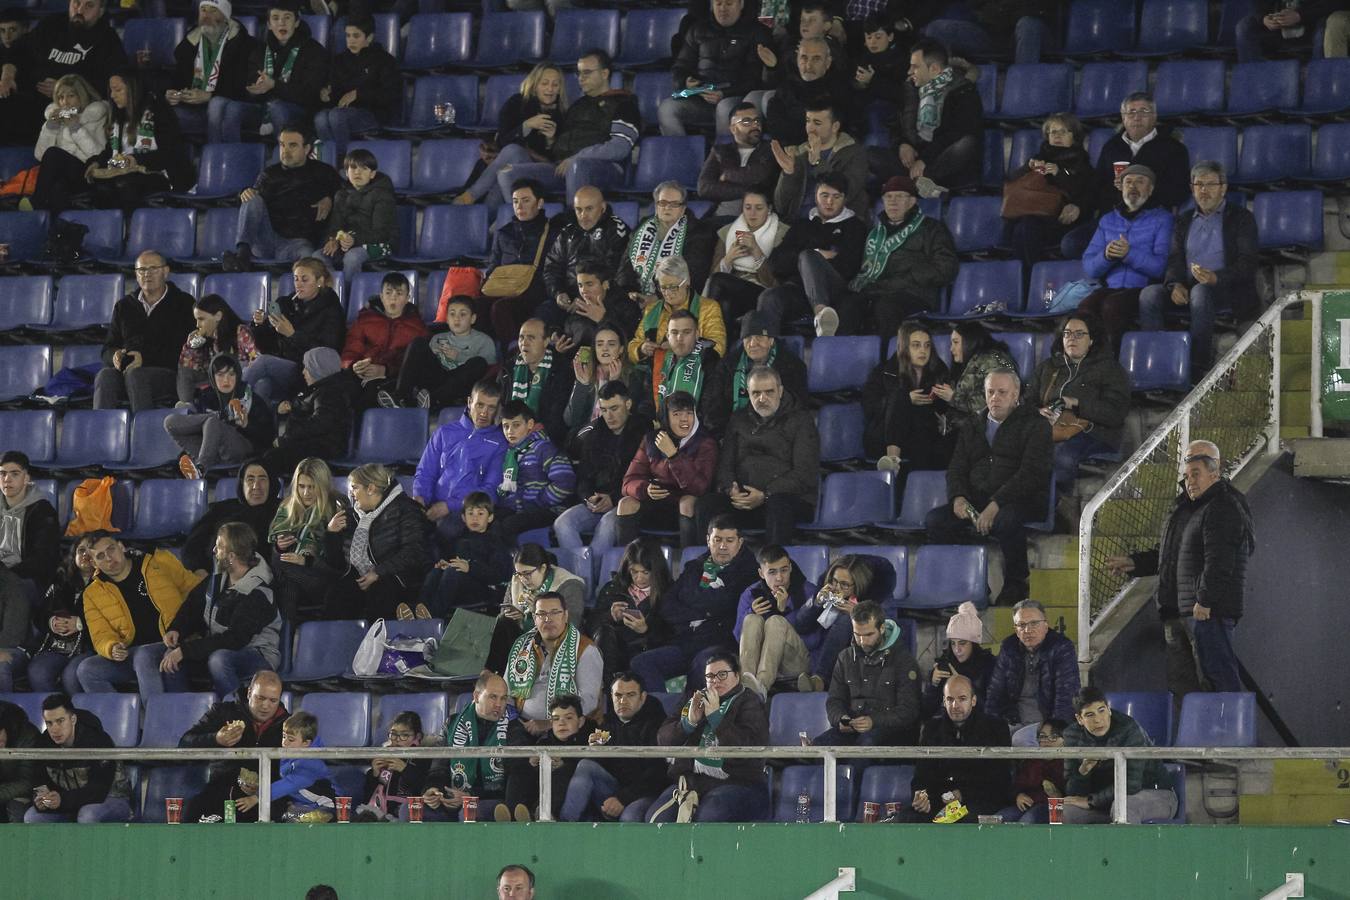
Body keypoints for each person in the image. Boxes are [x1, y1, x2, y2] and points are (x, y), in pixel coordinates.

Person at [1108, 440, 1256, 696]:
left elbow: (1221, 560)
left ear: (1215, 471)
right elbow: (1171, 554)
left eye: (1196, 473)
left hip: (1205, 612)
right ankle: (1194, 737)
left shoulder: (1225, 504)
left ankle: (1228, 736)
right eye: (1186, 475)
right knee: (1183, 686)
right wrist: (1135, 563)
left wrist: (1205, 600)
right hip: (1175, 610)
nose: (1190, 481)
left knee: (1217, 679)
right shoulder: (1183, 507)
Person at [926, 369, 1053, 606]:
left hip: (1023, 499)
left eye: (1002, 392)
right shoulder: (973, 425)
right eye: (990, 392)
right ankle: (968, 579)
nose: (995, 398)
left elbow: (1032, 474)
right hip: (978, 498)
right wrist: (959, 498)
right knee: (936, 521)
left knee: (1006, 519)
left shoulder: (1036, 425)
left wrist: (996, 503)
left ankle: (1017, 582)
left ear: (1016, 395)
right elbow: (956, 468)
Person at [1139, 161, 1261, 375]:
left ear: (1223, 188)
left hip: (1227, 288)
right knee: (1149, 294)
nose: (1204, 190)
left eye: (1211, 184)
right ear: (1192, 188)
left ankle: (1197, 367)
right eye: (1199, 184)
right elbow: (1175, 258)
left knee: (1201, 291)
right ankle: (1155, 363)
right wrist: (1175, 284)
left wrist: (1216, 278)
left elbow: (1247, 263)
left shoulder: (1241, 218)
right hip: (1188, 287)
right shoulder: (1183, 220)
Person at [138, 522, 282, 696]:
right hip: (218, 646)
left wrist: (186, 650)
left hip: (256, 654)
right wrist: (177, 629)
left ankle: (235, 713)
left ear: (231, 556)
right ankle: (186, 714)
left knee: (219, 660)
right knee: (166, 657)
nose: (214, 551)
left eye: (219, 546)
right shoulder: (219, 577)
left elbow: (235, 639)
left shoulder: (259, 591)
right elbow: (192, 606)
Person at [489, 49, 640, 202]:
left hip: (605, 168)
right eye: (579, 73)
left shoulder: (624, 104)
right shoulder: (576, 107)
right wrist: (551, 141)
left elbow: (619, 148)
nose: (581, 78)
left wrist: (576, 158)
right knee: (508, 174)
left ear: (605, 73)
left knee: (578, 167)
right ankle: (521, 224)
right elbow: (559, 147)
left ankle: (572, 223)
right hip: (563, 167)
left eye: (587, 73)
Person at [630, 516, 758, 693]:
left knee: (704, 667)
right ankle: (664, 714)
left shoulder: (750, 573)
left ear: (740, 542)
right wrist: (704, 610)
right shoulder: (695, 567)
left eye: (729, 541)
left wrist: (690, 599)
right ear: (708, 540)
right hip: (685, 640)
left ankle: (691, 718)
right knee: (641, 662)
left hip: (719, 643)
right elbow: (668, 604)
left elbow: (724, 604)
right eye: (717, 539)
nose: (722, 546)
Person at [697, 366, 819, 545]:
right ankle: (708, 567)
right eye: (756, 393)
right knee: (706, 505)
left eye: (769, 392)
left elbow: (804, 473)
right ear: (748, 393)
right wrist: (731, 489)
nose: (762, 399)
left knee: (779, 504)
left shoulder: (801, 420)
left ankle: (773, 565)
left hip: (787, 499)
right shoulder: (738, 419)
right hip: (743, 500)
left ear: (781, 391)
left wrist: (766, 494)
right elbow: (725, 464)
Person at [648, 651, 770, 822]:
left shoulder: (749, 701)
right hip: (690, 782)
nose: (715, 680)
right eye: (710, 676)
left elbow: (748, 748)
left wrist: (716, 719)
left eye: (722, 675)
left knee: (709, 815)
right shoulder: (694, 699)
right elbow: (663, 739)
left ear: (736, 675)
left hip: (739, 782)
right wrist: (688, 723)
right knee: (656, 819)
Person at [76, 532, 204, 693]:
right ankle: (117, 716)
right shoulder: (91, 594)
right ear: (94, 563)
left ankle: (154, 715)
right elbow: (100, 634)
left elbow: (194, 591)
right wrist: (112, 647)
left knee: (144, 656)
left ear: (121, 546)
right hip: (131, 652)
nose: (109, 558)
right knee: (86, 670)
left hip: (172, 641)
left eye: (111, 549)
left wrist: (193, 631)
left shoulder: (158, 561)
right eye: (101, 556)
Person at [838, 174, 958, 337]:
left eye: (900, 196)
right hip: (879, 291)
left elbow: (946, 267)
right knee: (848, 304)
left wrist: (908, 279)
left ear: (912, 201)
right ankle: (847, 359)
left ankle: (890, 359)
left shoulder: (931, 228)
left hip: (915, 293)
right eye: (888, 197)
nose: (893, 201)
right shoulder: (876, 233)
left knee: (885, 306)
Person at [1026, 311, 1131, 497]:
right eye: (1067, 333)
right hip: (1050, 429)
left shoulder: (1109, 369)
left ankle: (1058, 505)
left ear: (1092, 340)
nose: (1071, 338)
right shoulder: (1048, 367)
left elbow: (1115, 412)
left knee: (1062, 456)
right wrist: (1038, 412)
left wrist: (1076, 403)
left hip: (1093, 432)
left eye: (1079, 334)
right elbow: (1027, 400)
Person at [757, 174, 868, 336]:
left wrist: (810, 259)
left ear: (844, 199)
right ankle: (769, 354)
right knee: (769, 297)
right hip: (800, 290)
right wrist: (818, 255)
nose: (829, 202)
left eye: (836, 197)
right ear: (815, 196)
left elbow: (849, 267)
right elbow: (776, 264)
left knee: (808, 257)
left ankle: (822, 315)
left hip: (836, 290)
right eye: (825, 195)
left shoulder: (855, 227)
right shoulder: (802, 225)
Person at [1079, 163, 1174, 352]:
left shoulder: (1163, 218)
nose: (1133, 187)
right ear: (1121, 187)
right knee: (1085, 308)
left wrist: (1128, 254)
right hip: (1111, 287)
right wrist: (1106, 256)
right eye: (1128, 182)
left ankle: (1111, 362)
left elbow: (1161, 267)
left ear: (1151, 189)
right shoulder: (1108, 220)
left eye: (1140, 182)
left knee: (1112, 306)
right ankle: (1086, 363)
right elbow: (1090, 267)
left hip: (1144, 288)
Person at [91, 249, 197, 412]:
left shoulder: (183, 303)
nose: (147, 274)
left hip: (169, 374)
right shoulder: (124, 306)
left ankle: (143, 431)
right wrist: (115, 356)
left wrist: (143, 359)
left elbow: (186, 351)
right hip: (128, 371)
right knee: (105, 376)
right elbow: (108, 347)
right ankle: (101, 432)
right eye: (141, 270)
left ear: (165, 271)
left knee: (136, 375)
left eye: (153, 268)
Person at [224, 127, 344, 271]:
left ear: (306, 149)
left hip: (299, 242)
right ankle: (242, 256)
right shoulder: (269, 174)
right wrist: (243, 192)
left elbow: (347, 194)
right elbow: (251, 206)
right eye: (282, 145)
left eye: (292, 145)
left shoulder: (324, 172)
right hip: (267, 239)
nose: (285, 151)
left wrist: (330, 198)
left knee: (308, 258)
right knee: (252, 198)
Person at [323, 463, 429, 621]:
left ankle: (379, 643)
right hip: (361, 576)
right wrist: (331, 534)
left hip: (396, 577)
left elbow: (413, 552)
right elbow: (336, 563)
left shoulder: (406, 509)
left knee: (380, 592)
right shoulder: (351, 515)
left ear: (371, 489)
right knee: (336, 593)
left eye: (355, 487)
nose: (351, 494)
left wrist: (378, 572)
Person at [180, 670, 289, 823]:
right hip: (222, 791)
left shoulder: (289, 724)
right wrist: (216, 739)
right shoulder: (223, 712)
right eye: (260, 698)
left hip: (267, 797)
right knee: (193, 811)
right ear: (250, 692)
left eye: (273, 700)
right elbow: (185, 743)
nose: (266, 706)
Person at [560, 671, 668, 822]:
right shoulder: (609, 723)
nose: (623, 701)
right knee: (586, 765)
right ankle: (563, 827)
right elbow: (605, 767)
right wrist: (595, 752)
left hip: (646, 793)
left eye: (630, 695)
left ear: (642, 698)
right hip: (615, 789)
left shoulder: (657, 725)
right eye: (618, 695)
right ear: (611, 696)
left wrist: (622, 799)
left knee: (630, 816)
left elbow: (657, 774)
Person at [453, 64, 566, 208]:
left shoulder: (562, 114)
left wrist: (551, 140)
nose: (550, 89)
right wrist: (526, 126)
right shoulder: (516, 103)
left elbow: (561, 159)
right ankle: (487, 219)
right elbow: (502, 142)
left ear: (560, 88)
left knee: (508, 165)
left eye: (555, 85)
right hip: (514, 163)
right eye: (544, 83)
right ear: (535, 84)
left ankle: (470, 198)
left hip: (543, 170)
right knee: (509, 162)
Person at [815, 600, 921, 752]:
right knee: (819, 747)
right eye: (857, 635)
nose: (863, 641)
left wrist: (874, 721)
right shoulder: (845, 657)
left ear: (882, 628)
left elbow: (909, 711)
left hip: (891, 732)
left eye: (869, 634)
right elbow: (834, 700)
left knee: (865, 746)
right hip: (854, 729)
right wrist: (841, 719)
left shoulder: (904, 661)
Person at [903, 675, 1010, 823]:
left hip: (978, 801)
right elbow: (922, 775)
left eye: (962, 699)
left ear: (973, 700)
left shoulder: (996, 728)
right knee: (905, 819)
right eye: (950, 699)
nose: (955, 706)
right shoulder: (931, 729)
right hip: (939, 801)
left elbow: (1000, 778)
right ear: (943, 701)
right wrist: (921, 796)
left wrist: (963, 794)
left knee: (953, 820)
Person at [617, 390, 718, 548]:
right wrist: (646, 489)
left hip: (686, 509)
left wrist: (673, 455)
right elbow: (628, 483)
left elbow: (699, 488)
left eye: (689, 413)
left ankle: (689, 563)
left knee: (688, 501)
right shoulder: (651, 439)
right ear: (667, 417)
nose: (684, 419)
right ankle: (625, 565)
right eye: (677, 414)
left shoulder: (705, 443)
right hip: (655, 505)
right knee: (626, 503)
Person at [1061, 687, 1178, 824]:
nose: (1098, 720)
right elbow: (1073, 792)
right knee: (1062, 811)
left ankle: (1125, 846)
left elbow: (1132, 785)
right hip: (1105, 803)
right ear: (1079, 719)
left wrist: (1092, 801)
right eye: (1089, 715)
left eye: (1101, 710)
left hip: (1155, 794)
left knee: (1123, 806)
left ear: (1109, 709)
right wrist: (1083, 771)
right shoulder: (1072, 735)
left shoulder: (1129, 729)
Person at [883, 38, 983, 197]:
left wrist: (924, 160)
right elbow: (896, 124)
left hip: (940, 158)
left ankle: (918, 182)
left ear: (934, 69)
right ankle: (919, 184)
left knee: (965, 145)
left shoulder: (963, 91)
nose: (909, 71)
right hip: (914, 158)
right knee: (869, 155)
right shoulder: (911, 89)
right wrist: (902, 144)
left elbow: (958, 132)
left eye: (915, 67)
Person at [412, 380, 508, 545]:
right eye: (480, 405)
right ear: (470, 402)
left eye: (491, 407)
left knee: (446, 530)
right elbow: (425, 472)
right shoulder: (445, 432)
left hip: (466, 510)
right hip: (432, 504)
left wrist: (450, 506)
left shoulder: (500, 443)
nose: (484, 413)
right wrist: (420, 497)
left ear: (498, 409)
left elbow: (490, 490)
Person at [554, 381, 647, 551]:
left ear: (628, 404)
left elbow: (641, 478)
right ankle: (582, 575)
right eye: (604, 410)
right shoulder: (594, 433)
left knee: (605, 528)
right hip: (596, 502)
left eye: (614, 408)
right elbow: (583, 476)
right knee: (562, 524)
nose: (609, 416)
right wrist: (588, 497)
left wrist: (613, 498)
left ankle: (591, 576)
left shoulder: (643, 432)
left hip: (623, 502)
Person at [421, 671, 525, 823]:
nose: (499, 704)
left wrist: (471, 796)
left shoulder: (513, 728)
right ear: (476, 696)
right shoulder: (452, 723)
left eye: (503, 698)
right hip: (452, 798)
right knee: (410, 810)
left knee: (468, 812)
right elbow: (438, 767)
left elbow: (516, 780)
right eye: (493, 697)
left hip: (491, 799)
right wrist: (433, 790)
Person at [11, 0, 124, 134]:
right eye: (76, 3)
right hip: (33, 100)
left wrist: (64, 88)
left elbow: (112, 83)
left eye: (89, 5)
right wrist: (8, 74)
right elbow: (17, 49)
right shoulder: (51, 24)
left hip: (74, 109)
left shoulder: (108, 39)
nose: (80, 10)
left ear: (100, 11)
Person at [220, 0, 327, 143]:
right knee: (233, 108)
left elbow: (310, 95)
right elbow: (248, 88)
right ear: (269, 25)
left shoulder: (314, 51)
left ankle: (281, 157)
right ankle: (231, 156)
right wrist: (254, 90)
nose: (281, 23)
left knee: (278, 108)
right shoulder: (260, 50)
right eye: (275, 18)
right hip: (264, 109)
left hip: (299, 110)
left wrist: (275, 85)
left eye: (287, 17)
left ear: (296, 23)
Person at [660, 0, 771, 136]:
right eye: (718, 4)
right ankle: (681, 154)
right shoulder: (697, 30)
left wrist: (725, 93)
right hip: (701, 95)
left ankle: (724, 155)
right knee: (667, 108)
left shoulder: (757, 32)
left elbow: (755, 78)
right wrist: (686, 81)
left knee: (724, 107)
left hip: (736, 98)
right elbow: (681, 66)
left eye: (729, 4)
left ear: (741, 5)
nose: (723, 8)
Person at [85, 70, 192, 211]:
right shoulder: (119, 117)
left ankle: (131, 229)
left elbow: (170, 153)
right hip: (125, 171)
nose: (112, 95)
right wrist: (97, 162)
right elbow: (111, 153)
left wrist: (135, 160)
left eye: (118, 90)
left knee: (124, 183)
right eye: (111, 90)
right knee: (99, 186)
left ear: (133, 89)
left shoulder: (158, 110)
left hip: (158, 173)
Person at [1002, 112, 1094, 276]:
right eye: (1053, 132)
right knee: (1024, 227)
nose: (1057, 136)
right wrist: (1027, 168)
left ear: (1074, 136)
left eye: (1063, 131)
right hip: (1031, 217)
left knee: (1026, 229)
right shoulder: (1038, 158)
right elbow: (1012, 184)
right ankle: (1023, 277)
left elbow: (1085, 194)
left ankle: (1032, 277)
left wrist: (1059, 174)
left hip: (1061, 222)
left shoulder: (1082, 162)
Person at [246, 256, 346, 404]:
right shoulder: (287, 304)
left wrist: (292, 334)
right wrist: (260, 326)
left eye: (305, 280)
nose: (298, 285)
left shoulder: (332, 310)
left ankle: (228, 400)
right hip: (284, 365)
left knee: (263, 362)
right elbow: (267, 347)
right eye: (296, 279)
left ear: (319, 281)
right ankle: (255, 425)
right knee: (262, 386)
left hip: (307, 371)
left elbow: (326, 352)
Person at [4, 536, 96, 696]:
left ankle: (81, 716)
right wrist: (51, 621)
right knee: (38, 672)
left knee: (71, 676)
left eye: (91, 550)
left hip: (91, 646)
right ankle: (57, 714)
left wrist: (80, 624)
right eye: (81, 550)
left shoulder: (107, 583)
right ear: (73, 555)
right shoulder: (61, 581)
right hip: (58, 645)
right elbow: (40, 615)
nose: (85, 555)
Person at [540, 187, 632, 340]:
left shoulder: (616, 231)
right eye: (578, 210)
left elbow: (618, 274)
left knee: (583, 329)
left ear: (602, 208)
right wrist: (558, 293)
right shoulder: (567, 232)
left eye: (589, 209)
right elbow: (552, 267)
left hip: (602, 300)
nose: (583, 216)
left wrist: (586, 299)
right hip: (568, 301)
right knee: (542, 320)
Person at [1084, 93, 1190, 228]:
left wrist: (1142, 189)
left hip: (1152, 218)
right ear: (1123, 117)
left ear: (1154, 116)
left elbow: (1179, 192)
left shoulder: (1174, 148)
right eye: (1131, 112)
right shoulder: (1111, 146)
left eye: (1143, 111)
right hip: (1113, 217)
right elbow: (1098, 185)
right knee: (1072, 242)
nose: (1137, 117)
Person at [21, 693, 130, 823]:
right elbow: (39, 781)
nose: (55, 729)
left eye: (60, 721)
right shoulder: (43, 744)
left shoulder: (98, 740)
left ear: (73, 719)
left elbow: (99, 790)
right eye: (49, 723)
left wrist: (62, 800)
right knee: (32, 817)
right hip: (69, 803)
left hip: (112, 798)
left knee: (88, 815)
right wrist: (42, 799)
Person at [506, 592, 603, 734]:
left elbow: (589, 701)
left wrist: (551, 723)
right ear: (534, 618)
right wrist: (513, 720)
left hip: (570, 729)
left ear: (565, 615)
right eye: (541, 614)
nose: (548, 619)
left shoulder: (585, 649)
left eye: (554, 613)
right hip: (522, 725)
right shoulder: (522, 645)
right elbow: (506, 690)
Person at [984, 599, 1080, 742]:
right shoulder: (1009, 647)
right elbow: (995, 691)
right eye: (1021, 625)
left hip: (1048, 723)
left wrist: (1052, 730)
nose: (1028, 630)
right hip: (1014, 720)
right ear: (1016, 630)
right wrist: (989, 724)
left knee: (1019, 740)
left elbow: (1066, 696)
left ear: (1046, 625)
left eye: (1034, 623)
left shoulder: (1061, 647)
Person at [167, 354, 276, 479]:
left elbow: (268, 436)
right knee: (170, 421)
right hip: (211, 451)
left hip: (242, 450)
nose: (226, 380)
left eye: (231, 374)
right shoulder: (205, 398)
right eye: (220, 375)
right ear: (213, 378)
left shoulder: (252, 398)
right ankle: (202, 462)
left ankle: (200, 469)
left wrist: (247, 425)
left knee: (212, 421)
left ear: (238, 375)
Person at [627, 258, 729, 391]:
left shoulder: (708, 307)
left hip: (692, 375)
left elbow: (718, 347)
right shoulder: (652, 310)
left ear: (687, 282)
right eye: (663, 287)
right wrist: (642, 349)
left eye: (673, 287)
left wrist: (679, 348)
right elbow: (632, 346)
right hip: (653, 376)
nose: (668, 293)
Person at [863, 321, 954, 470]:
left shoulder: (939, 371)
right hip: (884, 437)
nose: (923, 351)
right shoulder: (885, 371)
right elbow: (870, 407)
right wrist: (905, 401)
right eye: (916, 345)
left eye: (927, 345)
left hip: (922, 437)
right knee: (901, 396)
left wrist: (946, 399)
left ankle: (895, 464)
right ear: (905, 348)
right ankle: (892, 459)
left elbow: (943, 412)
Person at [267, 457, 346, 622]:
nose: (305, 493)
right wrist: (279, 547)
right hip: (294, 579)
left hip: (323, 579)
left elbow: (338, 566)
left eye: (312, 487)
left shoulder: (337, 508)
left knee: (279, 572)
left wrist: (306, 561)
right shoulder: (287, 507)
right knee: (288, 587)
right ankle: (287, 643)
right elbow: (276, 556)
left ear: (322, 486)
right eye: (301, 486)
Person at [166, 0, 259, 141]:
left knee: (217, 104)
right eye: (203, 9)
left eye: (213, 10)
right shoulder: (190, 45)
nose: (206, 15)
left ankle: (218, 156)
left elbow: (245, 89)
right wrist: (172, 93)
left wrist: (210, 96)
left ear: (226, 18)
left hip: (234, 107)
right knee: (158, 109)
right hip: (196, 109)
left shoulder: (246, 46)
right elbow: (178, 80)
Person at [385, 295, 497, 410]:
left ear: (473, 318)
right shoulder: (437, 338)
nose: (456, 319)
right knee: (418, 343)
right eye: (452, 314)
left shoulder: (484, 341)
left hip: (459, 386)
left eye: (462, 314)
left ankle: (434, 400)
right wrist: (433, 355)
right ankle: (401, 396)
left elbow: (488, 372)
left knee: (479, 362)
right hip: (436, 380)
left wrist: (459, 356)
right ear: (447, 318)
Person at [703, 311, 807, 435]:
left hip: (777, 434)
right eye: (748, 338)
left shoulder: (791, 366)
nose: (753, 344)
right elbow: (713, 406)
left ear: (771, 340)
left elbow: (797, 407)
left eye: (759, 337)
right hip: (733, 433)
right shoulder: (728, 365)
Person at [734, 544, 817, 696]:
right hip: (759, 662)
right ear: (761, 573)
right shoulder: (751, 594)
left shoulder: (808, 591)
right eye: (772, 572)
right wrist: (750, 612)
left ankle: (760, 687)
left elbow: (814, 638)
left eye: (784, 570)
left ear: (790, 568)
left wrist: (785, 610)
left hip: (796, 662)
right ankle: (748, 682)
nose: (779, 578)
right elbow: (738, 637)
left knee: (776, 621)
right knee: (751, 619)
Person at [617, 182, 717, 309]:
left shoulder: (699, 232)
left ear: (683, 208)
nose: (667, 208)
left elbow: (694, 275)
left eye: (674, 204)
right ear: (656, 206)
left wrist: (657, 297)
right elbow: (626, 266)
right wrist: (628, 291)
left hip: (676, 300)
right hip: (637, 296)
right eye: (662, 203)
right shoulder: (643, 227)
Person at [478, 178, 554, 344]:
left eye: (526, 201)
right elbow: (493, 266)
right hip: (505, 287)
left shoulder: (552, 232)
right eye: (515, 201)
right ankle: (486, 354)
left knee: (501, 308)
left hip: (535, 291)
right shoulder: (503, 233)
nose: (519, 206)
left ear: (539, 203)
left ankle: (513, 354)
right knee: (476, 306)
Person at [339, 271, 428, 409]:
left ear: (407, 298)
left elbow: (415, 364)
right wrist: (354, 366)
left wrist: (386, 370)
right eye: (388, 293)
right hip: (362, 376)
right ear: (381, 296)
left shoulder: (417, 327)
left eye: (399, 294)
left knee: (369, 395)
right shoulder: (365, 320)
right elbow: (351, 349)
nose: (393, 298)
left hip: (394, 379)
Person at [587, 540, 674, 683]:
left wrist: (646, 630)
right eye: (634, 571)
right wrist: (610, 616)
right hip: (614, 651)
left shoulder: (669, 592)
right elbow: (591, 625)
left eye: (645, 572)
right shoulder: (613, 588)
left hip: (646, 651)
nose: (639, 578)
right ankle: (609, 690)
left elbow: (673, 632)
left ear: (656, 570)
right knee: (604, 633)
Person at [417, 491, 513, 619]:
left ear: (490, 517)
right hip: (456, 588)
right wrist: (445, 564)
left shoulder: (495, 542)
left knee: (454, 572)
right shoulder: (458, 540)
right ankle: (419, 613)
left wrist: (470, 568)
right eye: (470, 514)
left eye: (480, 514)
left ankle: (433, 617)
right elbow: (452, 562)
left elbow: (499, 575)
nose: (475, 518)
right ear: (463, 518)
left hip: (484, 589)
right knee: (435, 572)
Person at [314, 14, 399, 157]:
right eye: (348, 36)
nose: (351, 40)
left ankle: (345, 161)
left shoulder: (384, 60)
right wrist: (326, 94)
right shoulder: (340, 60)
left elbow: (390, 95)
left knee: (336, 116)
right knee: (320, 118)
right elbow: (336, 92)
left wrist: (359, 94)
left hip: (374, 114)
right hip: (343, 112)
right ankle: (329, 161)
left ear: (369, 37)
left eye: (356, 36)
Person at [705, 189, 793, 327]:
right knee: (726, 305)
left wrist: (757, 251)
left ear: (769, 208)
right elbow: (711, 276)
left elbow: (775, 282)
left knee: (719, 279)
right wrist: (727, 260)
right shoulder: (728, 232)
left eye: (758, 208)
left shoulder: (782, 233)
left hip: (765, 294)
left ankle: (701, 327)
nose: (752, 213)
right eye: (748, 207)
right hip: (733, 292)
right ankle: (715, 347)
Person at [771, 99, 869, 223]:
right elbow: (781, 206)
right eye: (808, 121)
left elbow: (846, 193)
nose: (810, 128)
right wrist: (788, 174)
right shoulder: (799, 153)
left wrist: (817, 162)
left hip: (837, 224)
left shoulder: (854, 153)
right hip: (798, 224)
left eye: (817, 123)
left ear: (835, 127)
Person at [493, 399, 576, 543]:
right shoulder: (510, 454)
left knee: (508, 526)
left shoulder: (543, 448)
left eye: (516, 425)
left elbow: (565, 482)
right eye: (505, 426)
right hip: (521, 509)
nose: (510, 431)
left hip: (548, 510)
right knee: (489, 521)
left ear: (529, 424)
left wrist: (539, 502)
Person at [262, 347, 354, 477]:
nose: (303, 372)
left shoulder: (331, 393)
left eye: (307, 367)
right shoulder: (318, 389)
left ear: (318, 368)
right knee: (258, 455)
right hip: (311, 443)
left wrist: (287, 437)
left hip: (325, 447)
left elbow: (320, 424)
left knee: (270, 458)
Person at [503, 692, 596, 821]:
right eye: (556, 719)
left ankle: (541, 813)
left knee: (564, 771)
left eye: (568, 718)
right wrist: (532, 764)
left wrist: (564, 764)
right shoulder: (544, 743)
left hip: (571, 801)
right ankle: (512, 814)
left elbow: (590, 767)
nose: (561, 723)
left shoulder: (589, 741)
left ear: (580, 721)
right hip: (537, 794)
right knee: (520, 770)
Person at [182, 457, 279, 577]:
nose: (256, 486)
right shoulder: (222, 508)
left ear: (272, 483)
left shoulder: (283, 511)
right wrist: (199, 569)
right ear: (242, 484)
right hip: (212, 576)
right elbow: (194, 542)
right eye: (250, 479)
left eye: (262, 479)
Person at [0, 450, 60, 643]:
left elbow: (43, 560)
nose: (7, 479)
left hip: (28, 579)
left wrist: (7, 571)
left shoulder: (42, 511)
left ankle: (8, 651)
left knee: (12, 586)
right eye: (2, 473)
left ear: (27, 478)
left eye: (14, 473)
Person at [29, 72, 108, 217]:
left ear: (82, 96)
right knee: (57, 187)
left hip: (87, 173)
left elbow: (98, 155)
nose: (65, 102)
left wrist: (75, 128)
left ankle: (36, 205)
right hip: (63, 177)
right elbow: (40, 156)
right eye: (60, 97)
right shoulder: (55, 118)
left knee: (54, 153)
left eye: (71, 96)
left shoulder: (97, 116)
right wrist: (51, 127)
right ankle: (54, 231)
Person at [794, 555, 878, 691]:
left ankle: (819, 680)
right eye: (834, 581)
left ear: (858, 584)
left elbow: (881, 636)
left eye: (844, 585)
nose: (837, 588)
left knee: (846, 619)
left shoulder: (871, 603)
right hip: (812, 655)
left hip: (848, 663)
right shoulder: (825, 592)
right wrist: (816, 602)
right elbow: (800, 625)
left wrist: (857, 615)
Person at [321, 148, 398, 293]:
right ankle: (332, 292)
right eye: (353, 167)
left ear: (372, 174)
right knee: (318, 256)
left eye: (364, 168)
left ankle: (349, 296)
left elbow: (382, 233)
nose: (357, 172)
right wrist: (333, 239)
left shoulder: (382, 194)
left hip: (382, 244)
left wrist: (353, 239)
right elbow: (334, 226)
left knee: (352, 257)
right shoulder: (341, 195)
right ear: (346, 172)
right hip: (350, 243)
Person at [498, 319, 575, 446]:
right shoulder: (508, 370)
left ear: (546, 341)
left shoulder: (561, 370)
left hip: (548, 441)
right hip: (509, 439)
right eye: (521, 338)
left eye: (531, 338)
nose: (524, 343)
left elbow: (558, 419)